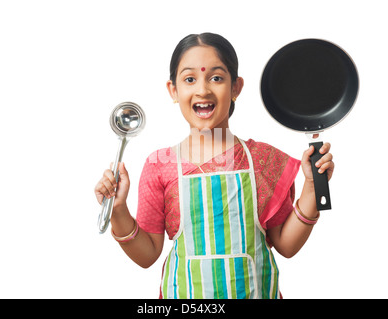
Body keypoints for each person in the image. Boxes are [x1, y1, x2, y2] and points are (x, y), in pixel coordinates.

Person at [94, 33, 334, 299]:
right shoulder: (159, 165)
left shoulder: (264, 160)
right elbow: (147, 254)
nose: (203, 90)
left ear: (236, 88)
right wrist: (117, 210)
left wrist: (312, 190)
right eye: (189, 79)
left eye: (216, 78)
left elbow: (286, 245)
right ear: (173, 90)